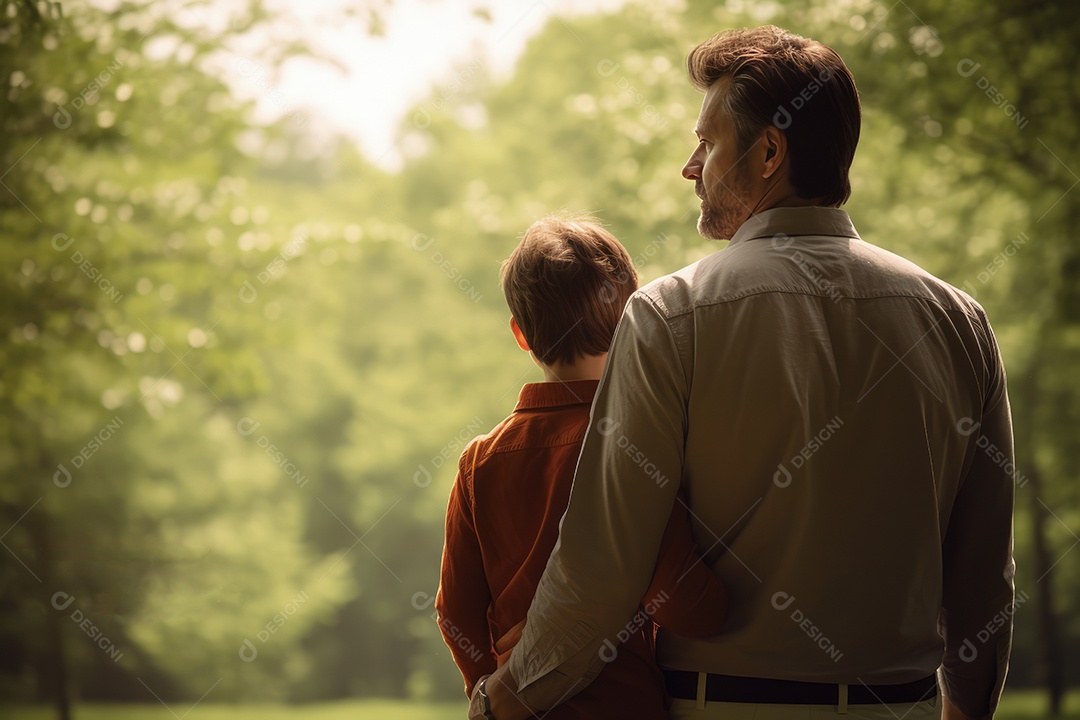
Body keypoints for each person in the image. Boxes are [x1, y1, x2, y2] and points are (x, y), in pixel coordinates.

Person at [471, 25, 1014, 720]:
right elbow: (982, 582)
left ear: (768, 152)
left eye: (707, 143)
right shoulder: (959, 322)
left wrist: (502, 702)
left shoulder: (669, 316)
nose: (690, 166)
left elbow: (602, 571)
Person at [437, 215, 728, 719]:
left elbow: (454, 611)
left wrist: (497, 690)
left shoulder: (479, 462)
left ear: (521, 335)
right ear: (633, 319)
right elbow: (681, 603)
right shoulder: (642, 445)